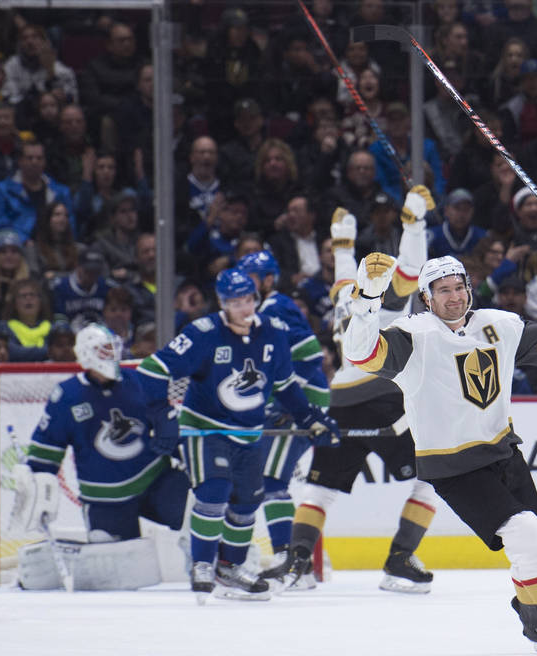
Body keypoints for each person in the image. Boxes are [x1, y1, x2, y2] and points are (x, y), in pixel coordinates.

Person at [343, 247, 537, 651]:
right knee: (524, 532)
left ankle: (533, 621)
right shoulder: (413, 336)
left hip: (502, 451)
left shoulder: (500, 325)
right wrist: (367, 299)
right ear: (426, 298)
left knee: (531, 540)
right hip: (451, 466)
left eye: (459, 287)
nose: (453, 297)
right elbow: (360, 353)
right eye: (442, 291)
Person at [136, 268, 340, 602]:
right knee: (214, 492)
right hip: (205, 428)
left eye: (248, 300)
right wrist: (163, 417)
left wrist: (309, 416)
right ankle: (202, 565)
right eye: (235, 302)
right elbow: (152, 370)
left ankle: (228, 568)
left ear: (256, 299)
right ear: (222, 303)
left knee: (247, 502)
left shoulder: (273, 332)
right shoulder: (203, 333)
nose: (244, 308)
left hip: (249, 432)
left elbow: (286, 385)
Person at [277, 190, 443, 595]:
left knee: (320, 489)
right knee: (433, 479)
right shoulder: (383, 303)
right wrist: (414, 223)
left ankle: (298, 564)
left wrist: (342, 241)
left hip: (341, 399)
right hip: (385, 397)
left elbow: (342, 273)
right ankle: (400, 559)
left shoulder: (344, 297)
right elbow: (413, 268)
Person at [15, 324, 190, 591]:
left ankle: (223, 562)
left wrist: (186, 450)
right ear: (86, 353)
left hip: (155, 479)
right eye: (103, 349)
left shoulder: (139, 382)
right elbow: (46, 449)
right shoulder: (67, 396)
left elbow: (169, 427)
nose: (111, 355)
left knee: (199, 510)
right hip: (105, 499)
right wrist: (38, 483)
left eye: (113, 348)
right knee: (117, 574)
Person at [235, 249, 330, 590]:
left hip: (302, 406)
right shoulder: (260, 311)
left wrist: (292, 400)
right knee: (270, 478)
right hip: (292, 404)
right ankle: (295, 560)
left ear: (269, 279)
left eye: (252, 279)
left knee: (271, 480)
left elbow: (309, 355)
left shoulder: (277, 307)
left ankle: (292, 563)